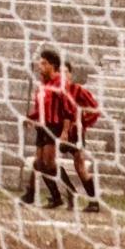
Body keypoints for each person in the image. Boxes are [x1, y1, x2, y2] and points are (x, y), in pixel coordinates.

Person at [20, 48, 69, 209]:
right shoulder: (43, 83)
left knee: (48, 164)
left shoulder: (60, 83)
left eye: (44, 63)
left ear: (52, 66)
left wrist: (65, 131)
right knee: (39, 163)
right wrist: (30, 117)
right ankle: (48, 196)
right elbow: (40, 108)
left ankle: (69, 191)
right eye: (40, 63)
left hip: (54, 127)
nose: (40, 66)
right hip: (42, 127)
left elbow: (68, 110)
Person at [57, 60, 102, 212]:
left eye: (65, 72)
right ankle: (70, 192)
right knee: (49, 162)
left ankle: (94, 202)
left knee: (80, 166)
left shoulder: (77, 90)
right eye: (60, 72)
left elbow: (95, 109)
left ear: (70, 74)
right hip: (58, 133)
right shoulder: (55, 91)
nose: (62, 75)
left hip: (75, 134)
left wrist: (82, 122)